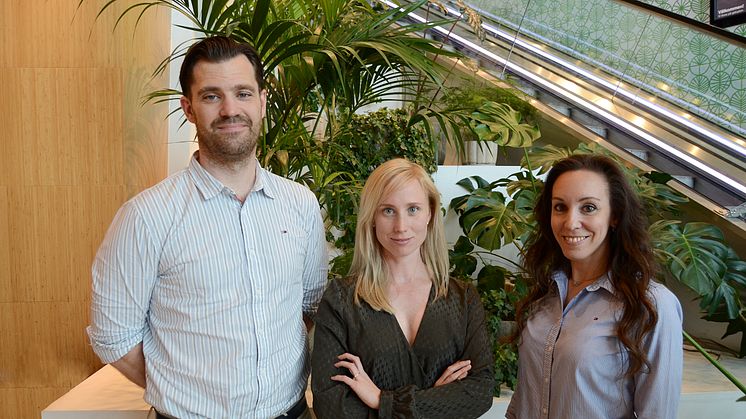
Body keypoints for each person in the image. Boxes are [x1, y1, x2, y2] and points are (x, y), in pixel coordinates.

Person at [87, 36, 327, 419]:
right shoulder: (147, 216)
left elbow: (310, 304)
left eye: (243, 93)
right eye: (212, 96)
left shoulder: (299, 204)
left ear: (262, 102)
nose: (231, 110)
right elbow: (112, 337)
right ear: (189, 108)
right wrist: (181, 386)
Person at [311, 158, 494, 419]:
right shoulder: (342, 299)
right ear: (372, 217)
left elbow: (480, 392)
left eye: (413, 209)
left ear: (430, 213)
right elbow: (331, 407)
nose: (401, 226)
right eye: (387, 210)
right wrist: (434, 401)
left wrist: (381, 400)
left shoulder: (463, 299)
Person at [506, 154, 683, 419]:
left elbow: (657, 413)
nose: (570, 222)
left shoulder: (652, 303)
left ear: (615, 215)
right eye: (560, 207)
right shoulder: (547, 294)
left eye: (588, 207)